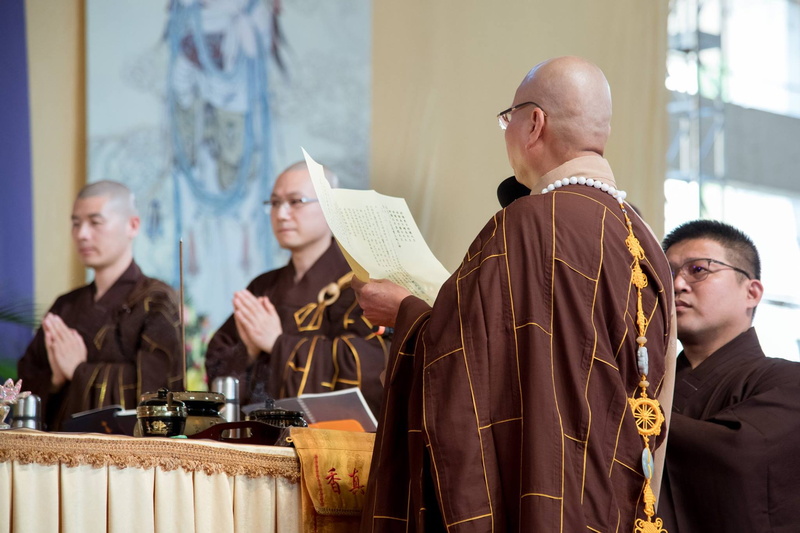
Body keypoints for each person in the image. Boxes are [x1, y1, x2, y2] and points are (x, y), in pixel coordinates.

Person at [353, 56, 676, 532]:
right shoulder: (645, 241)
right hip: (610, 506)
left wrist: (405, 311)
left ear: (533, 124)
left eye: (508, 119)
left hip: (541, 502)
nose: (506, 132)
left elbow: (461, 368)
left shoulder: (527, 226)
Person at [204, 162, 389, 416]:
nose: (281, 214)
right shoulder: (263, 287)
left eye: (296, 201)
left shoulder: (360, 286)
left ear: (331, 208)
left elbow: (370, 365)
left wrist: (278, 344)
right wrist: (247, 352)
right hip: (257, 441)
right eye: (275, 203)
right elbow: (218, 360)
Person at [657, 220, 800, 532]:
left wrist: (627, 417)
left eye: (698, 270)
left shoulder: (789, 382)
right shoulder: (649, 385)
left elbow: (742, 454)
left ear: (751, 292)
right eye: (667, 273)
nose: (677, 284)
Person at [18, 181, 183, 431]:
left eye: (95, 222)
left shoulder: (156, 301)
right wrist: (54, 379)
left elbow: (159, 393)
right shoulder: (65, 306)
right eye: (76, 223)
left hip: (128, 462)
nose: (83, 234)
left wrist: (79, 371)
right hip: (57, 456)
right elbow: (23, 383)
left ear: (133, 225)